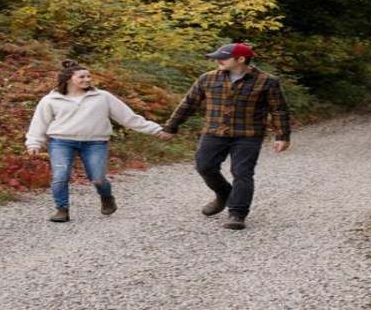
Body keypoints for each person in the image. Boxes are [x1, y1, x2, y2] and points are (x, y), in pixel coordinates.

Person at [162, 42, 290, 230]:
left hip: (248, 135)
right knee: (204, 166)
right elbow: (188, 104)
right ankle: (224, 193)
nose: (218, 61)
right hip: (214, 132)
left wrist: (282, 135)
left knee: (242, 172)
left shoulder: (267, 81)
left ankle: (237, 214)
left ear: (240, 59)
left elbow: (279, 110)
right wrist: (171, 127)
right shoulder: (207, 79)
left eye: (223, 57)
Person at [26, 60, 173, 223]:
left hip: (95, 143)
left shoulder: (103, 97)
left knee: (98, 178)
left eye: (89, 76)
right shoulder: (51, 100)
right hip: (61, 142)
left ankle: (106, 197)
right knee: (60, 176)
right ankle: (62, 209)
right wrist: (34, 143)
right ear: (68, 79)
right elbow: (39, 122)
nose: (87, 80)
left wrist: (156, 129)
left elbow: (128, 117)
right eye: (82, 77)